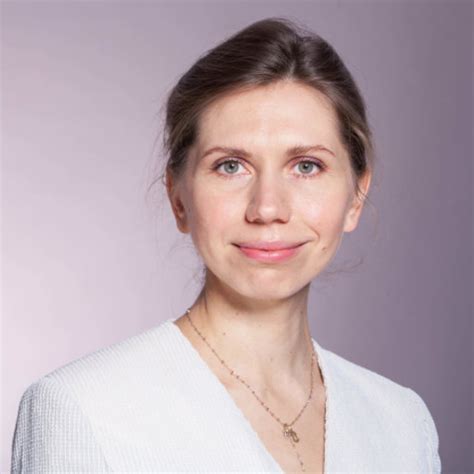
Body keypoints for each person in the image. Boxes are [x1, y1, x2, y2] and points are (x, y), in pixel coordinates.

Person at [11, 17, 441, 473]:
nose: (268, 208)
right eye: (231, 166)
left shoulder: (401, 422)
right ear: (178, 198)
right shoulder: (83, 410)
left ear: (355, 197)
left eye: (307, 166)